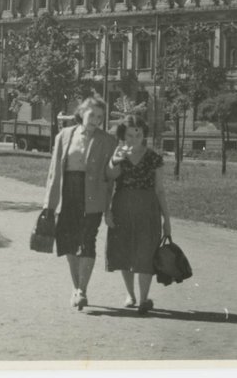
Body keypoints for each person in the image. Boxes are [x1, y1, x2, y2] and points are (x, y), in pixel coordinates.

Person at [43, 96, 116, 311]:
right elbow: (53, 171)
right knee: (67, 241)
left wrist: (109, 207)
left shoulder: (108, 141)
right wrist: (48, 202)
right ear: (81, 112)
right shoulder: (64, 135)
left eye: (100, 117)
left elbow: (111, 178)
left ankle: (83, 289)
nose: (95, 120)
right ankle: (76, 287)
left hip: (93, 195)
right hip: (68, 193)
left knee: (87, 239)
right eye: (92, 114)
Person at [105, 114, 172, 316]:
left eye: (138, 134)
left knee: (145, 252)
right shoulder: (118, 153)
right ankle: (130, 295)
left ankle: (144, 299)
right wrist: (116, 161)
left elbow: (160, 190)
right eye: (130, 135)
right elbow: (109, 179)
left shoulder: (153, 158)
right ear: (123, 136)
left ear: (144, 135)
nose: (134, 139)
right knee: (124, 250)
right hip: (122, 206)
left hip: (147, 209)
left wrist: (166, 219)